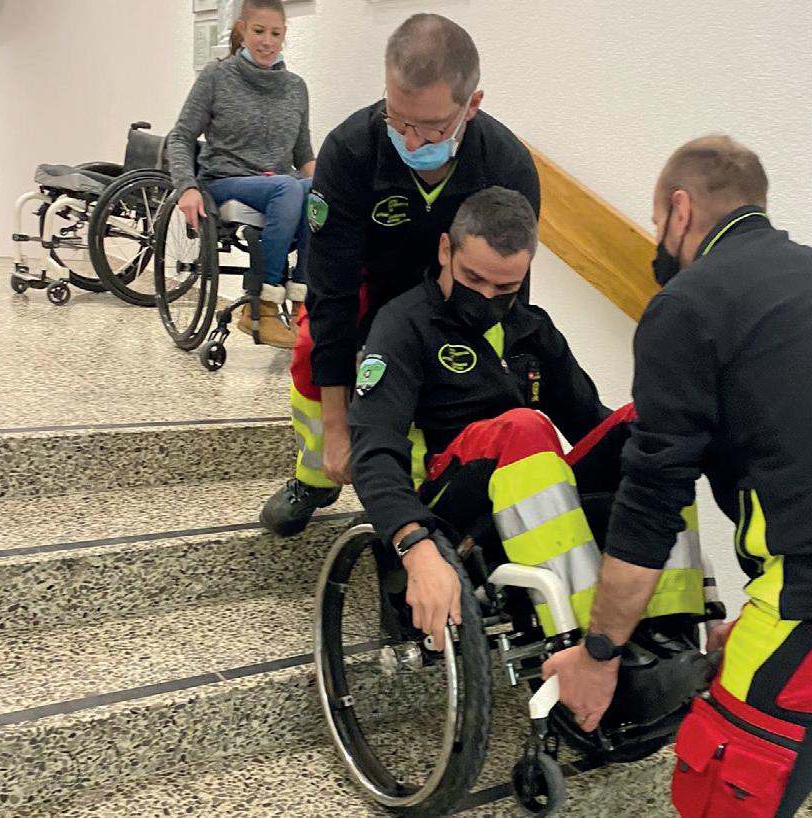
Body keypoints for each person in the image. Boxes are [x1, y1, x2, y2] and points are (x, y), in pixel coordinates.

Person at [542, 135, 812, 818]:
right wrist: (758, 620)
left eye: (657, 222)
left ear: (678, 209)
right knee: (766, 761)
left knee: (712, 791)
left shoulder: (688, 305)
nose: (658, 237)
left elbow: (653, 498)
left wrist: (598, 655)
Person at [349, 187, 709, 650]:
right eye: (473, 278)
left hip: (529, 485)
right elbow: (374, 447)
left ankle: (672, 628)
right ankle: (586, 643)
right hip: (447, 494)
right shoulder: (402, 326)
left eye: (505, 288)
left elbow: (591, 426)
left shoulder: (533, 329)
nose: (484, 298)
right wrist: (413, 542)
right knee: (525, 425)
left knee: (645, 427)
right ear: (445, 250)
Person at [259, 14, 540, 536]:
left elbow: (512, 292)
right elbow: (331, 295)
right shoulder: (350, 152)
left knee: (444, 380)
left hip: (454, 298)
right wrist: (340, 432)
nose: (411, 142)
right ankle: (317, 474)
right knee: (308, 349)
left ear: (471, 105)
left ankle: (418, 503)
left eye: (431, 127)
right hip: (368, 287)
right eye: (398, 118)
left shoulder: (509, 166)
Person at [166, 0, 314, 349]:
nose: (267, 41)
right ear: (242, 31)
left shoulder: (296, 87)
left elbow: (304, 155)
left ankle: (302, 306)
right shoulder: (217, 76)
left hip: (278, 184)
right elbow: (181, 136)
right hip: (225, 181)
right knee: (288, 189)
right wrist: (186, 186)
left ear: (284, 36)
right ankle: (260, 306)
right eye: (259, 31)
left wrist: (327, 186)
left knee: (315, 192)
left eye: (275, 33)